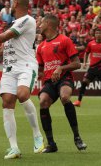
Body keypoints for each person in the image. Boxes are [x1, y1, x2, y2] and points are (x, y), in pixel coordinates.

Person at [0, 0, 44, 159]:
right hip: (9, 69)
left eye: (11, 3)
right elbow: (3, 48)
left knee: (23, 94)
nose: (10, 5)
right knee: (7, 102)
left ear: (16, 3)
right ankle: (14, 147)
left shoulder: (27, 20)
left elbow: (3, 37)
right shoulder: (12, 24)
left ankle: (37, 135)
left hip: (25, 66)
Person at [36, 14, 87, 153]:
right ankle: (51, 143)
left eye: (41, 23)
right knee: (43, 102)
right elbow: (41, 69)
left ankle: (77, 137)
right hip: (49, 82)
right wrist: (35, 75)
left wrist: (61, 68)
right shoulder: (40, 47)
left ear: (48, 24)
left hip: (65, 79)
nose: (39, 26)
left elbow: (77, 64)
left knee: (65, 97)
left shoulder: (65, 40)